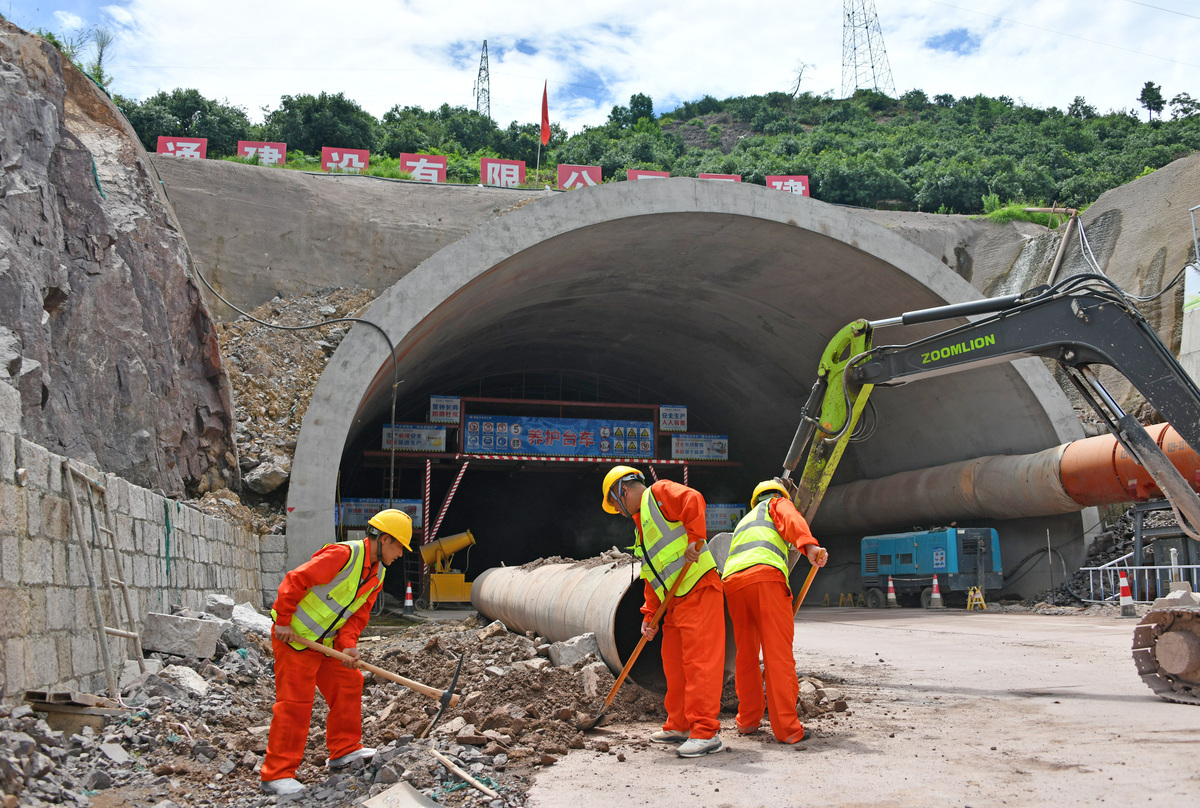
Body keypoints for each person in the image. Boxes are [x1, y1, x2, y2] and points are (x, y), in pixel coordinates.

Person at [259, 509, 412, 795]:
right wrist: (282, 620)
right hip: (295, 640)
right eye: (400, 546)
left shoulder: (378, 575)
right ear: (385, 539)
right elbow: (296, 580)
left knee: (348, 682)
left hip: (325, 643)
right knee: (295, 704)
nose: (401, 554)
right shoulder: (344, 555)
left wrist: (349, 645)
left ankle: (345, 749)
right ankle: (277, 774)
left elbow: (356, 616)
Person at [601, 465, 726, 758]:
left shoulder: (658, 494)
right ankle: (679, 724)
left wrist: (696, 538)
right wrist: (650, 615)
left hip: (697, 589)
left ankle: (706, 732)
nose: (618, 512)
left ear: (623, 490)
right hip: (673, 603)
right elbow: (652, 575)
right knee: (674, 664)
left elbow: (693, 498)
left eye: (615, 503)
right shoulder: (642, 527)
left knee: (700, 663)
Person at [722, 480, 828, 745]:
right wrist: (810, 546)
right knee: (777, 654)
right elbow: (792, 518)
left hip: (733, 584)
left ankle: (747, 721)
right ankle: (788, 729)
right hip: (765, 580)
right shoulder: (777, 503)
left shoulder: (744, 521)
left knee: (746, 655)